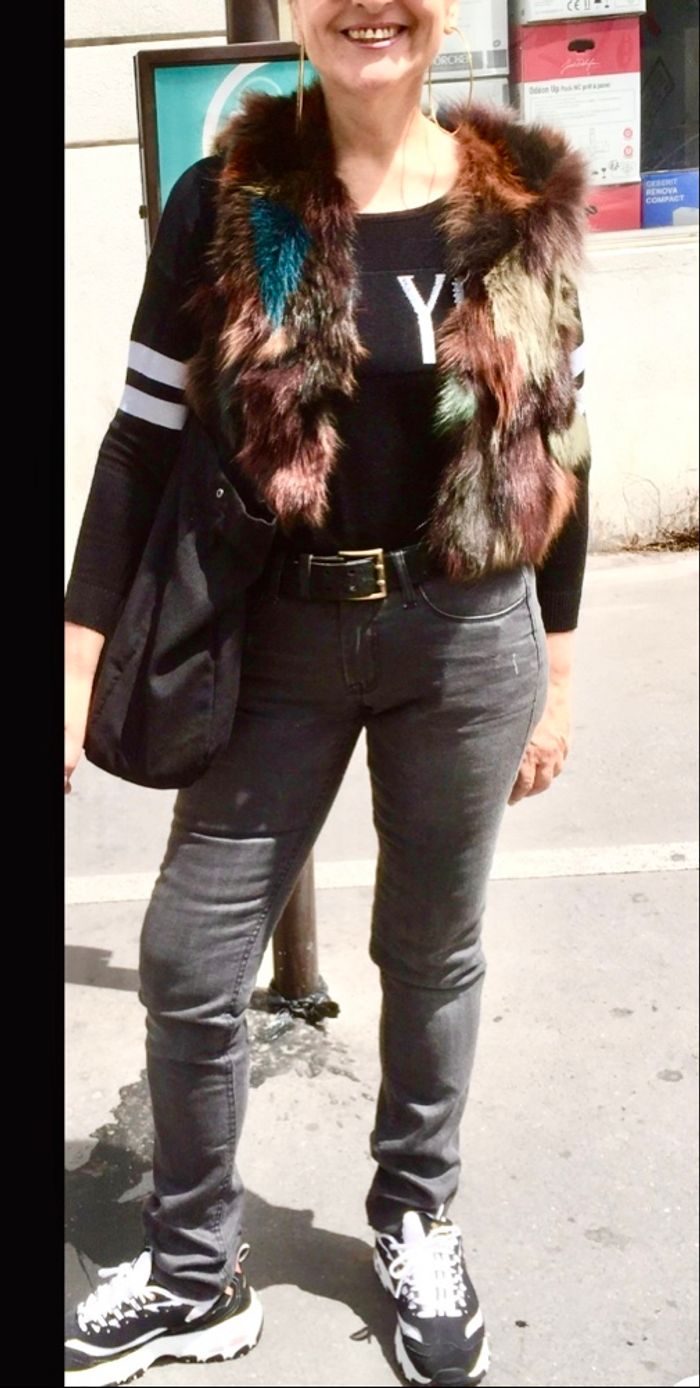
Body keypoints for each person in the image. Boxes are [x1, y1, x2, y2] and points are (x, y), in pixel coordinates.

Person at [64, 2, 592, 1384]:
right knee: (190, 960)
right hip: (281, 636)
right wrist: (74, 653)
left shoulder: (518, 204)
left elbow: (560, 444)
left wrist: (558, 671)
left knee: (432, 951)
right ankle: (195, 1273)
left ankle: (416, 1212)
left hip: (466, 635)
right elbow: (141, 438)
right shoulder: (231, 203)